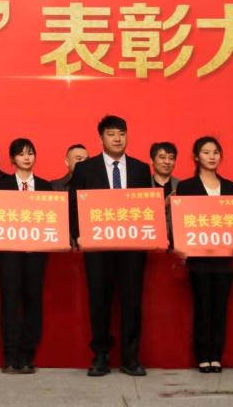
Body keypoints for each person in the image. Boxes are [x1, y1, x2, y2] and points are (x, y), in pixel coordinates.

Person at [69, 115, 152, 377]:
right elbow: (73, 204)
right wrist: (77, 235)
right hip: (97, 248)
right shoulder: (85, 169)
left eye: (122, 134)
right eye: (111, 134)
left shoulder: (140, 169)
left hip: (132, 248)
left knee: (132, 301)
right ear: (101, 138)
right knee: (99, 301)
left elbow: (146, 207)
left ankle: (131, 358)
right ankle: (100, 356)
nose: (117, 139)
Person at [176, 136, 233, 373]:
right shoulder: (187, 187)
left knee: (220, 310)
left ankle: (216, 356)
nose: (212, 156)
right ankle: (202, 355)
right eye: (206, 152)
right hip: (199, 260)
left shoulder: (231, 187)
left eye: (215, 152)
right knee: (202, 307)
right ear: (196, 157)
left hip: (224, 260)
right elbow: (182, 222)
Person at [0, 138, 53, 374]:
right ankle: (10, 356)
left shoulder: (46, 187)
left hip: (37, 252)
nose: (26, 157)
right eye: (21, 154)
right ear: (12, 159)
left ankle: (28, 355)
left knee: (33, 300)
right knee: (10, 301)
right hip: (9, 253)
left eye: (30, 153)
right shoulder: (3, 186)